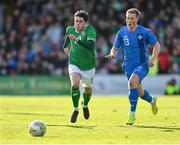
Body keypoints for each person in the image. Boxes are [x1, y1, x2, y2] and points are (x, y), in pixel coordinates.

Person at [106, 8, 160, 125]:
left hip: (142, 65)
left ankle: (132, 115)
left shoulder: (145, 32)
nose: (129, 21)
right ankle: (152, 100)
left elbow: (157, 46)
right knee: (139, 93)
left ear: (137, 19)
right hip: (128, 67)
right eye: (127, 18)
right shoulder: (121, 32)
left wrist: (152, 59)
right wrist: (112, 54)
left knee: (131, 83)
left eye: (132, 18)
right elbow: (115, 48)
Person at [63, 10, 96, 123]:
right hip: (74, 64)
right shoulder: (70, 29)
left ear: (85, 23)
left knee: (87, 89)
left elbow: (91, 46)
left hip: (89, 66)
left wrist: (77, 40)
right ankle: (76, 109)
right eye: (76, 21)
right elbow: (65, 45)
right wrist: (69, 53)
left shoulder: (90, 30)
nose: (77, 24)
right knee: (75, 83)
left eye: (80, 21)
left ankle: (85, 105)